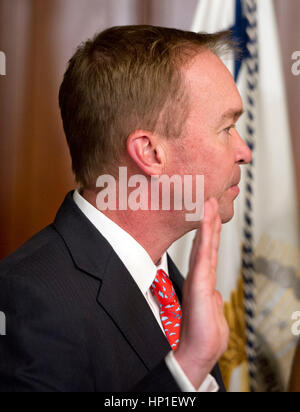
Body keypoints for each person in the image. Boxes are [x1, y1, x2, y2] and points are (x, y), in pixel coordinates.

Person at [0, 25, 252, 392]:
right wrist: (188, 366)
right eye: (227, 127)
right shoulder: (25, 300)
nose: (244, 151)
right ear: (150, 153)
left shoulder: (170, 284)